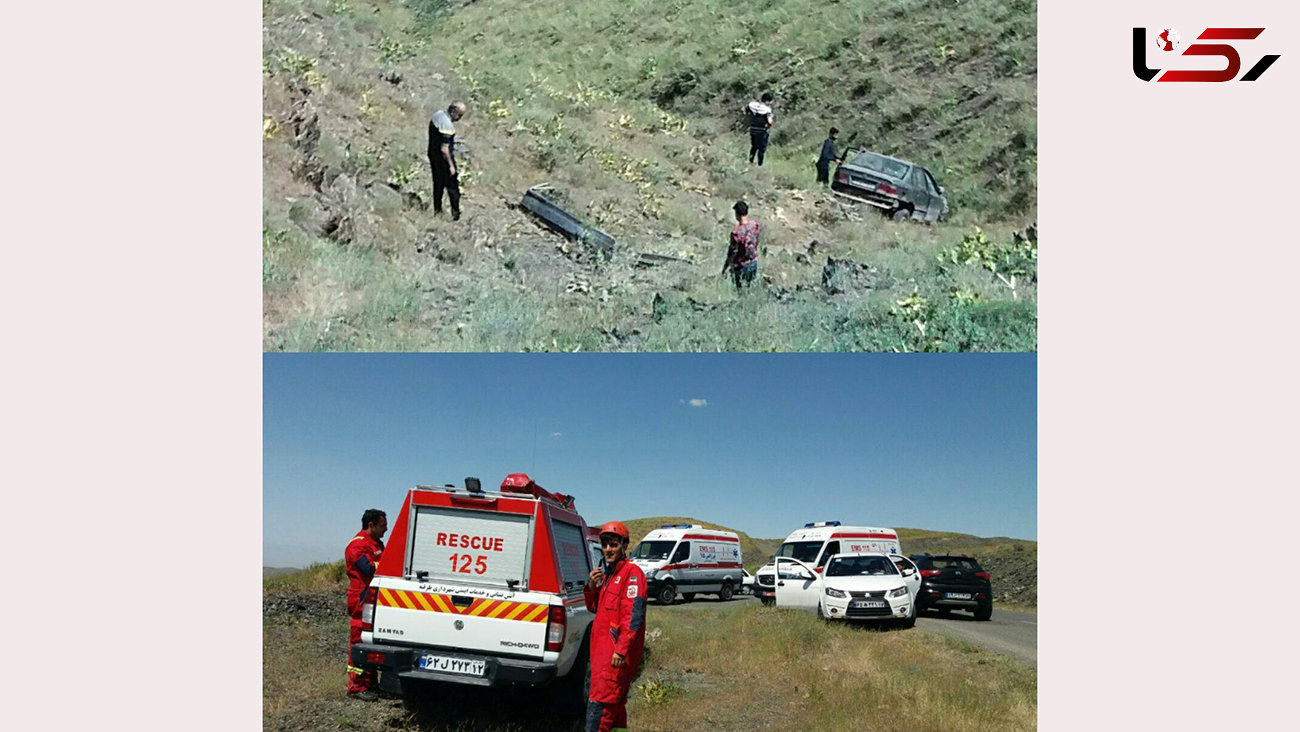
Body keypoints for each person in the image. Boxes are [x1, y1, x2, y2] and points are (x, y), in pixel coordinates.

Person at [583, 521, 647, 732]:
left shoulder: (632, 573)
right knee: (615, 709)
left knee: (600, 709)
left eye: (613, 545)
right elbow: (595, 608)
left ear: (624, 546)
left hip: (614, 659)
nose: (608, 550)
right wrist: (592, 587)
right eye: (605, 545)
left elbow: (633, 617)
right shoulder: (609, 575)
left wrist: (620, 650)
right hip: (601, 655)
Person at [345, 509, 387, 701]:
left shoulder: (377, 544)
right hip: (361, 598)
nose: (385, 530)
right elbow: (368, 568)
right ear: (371, 525)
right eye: (382, 526)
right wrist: (388, 563)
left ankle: (371, 683)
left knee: (372, 640)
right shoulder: (358, 546)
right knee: (359, 640)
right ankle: (357, 686)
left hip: (374, 598)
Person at [428, 101, 467, 221]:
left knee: (437, 185)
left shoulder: (438, 115)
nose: (460, 118)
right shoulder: (447, 126)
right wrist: (451, 165)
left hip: (432, 155)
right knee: (453, 187)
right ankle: (455, 214)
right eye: (459, 115)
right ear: (454, 112)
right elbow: (444, 149)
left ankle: (437, 210)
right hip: (443, 160)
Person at [722, 200, 760, 288]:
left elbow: (731, 252)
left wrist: (725, 267)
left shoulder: (736, 232)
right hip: (753, 262)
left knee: (740, 292)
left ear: (737, 214)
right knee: (750, 288)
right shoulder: (755, 226)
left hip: (740, 266)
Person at [744, 92, 774, 166]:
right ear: (767, 101)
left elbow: (745, 111)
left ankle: (750, 161)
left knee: (754, 146)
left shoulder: (752, 105)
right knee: (761, 148)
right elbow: (770, 122)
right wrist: (771, 119)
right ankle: (760, 164)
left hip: (753, 129)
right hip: (762, 130)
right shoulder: (767, 110)